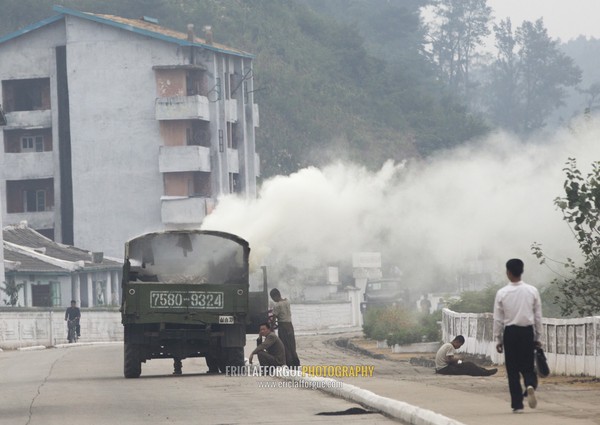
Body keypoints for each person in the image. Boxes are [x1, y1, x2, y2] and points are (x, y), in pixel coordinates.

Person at [493, 258, 543, 413]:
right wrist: (537, 337)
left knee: (512, 370)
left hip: (511, 333)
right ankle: (529, 384)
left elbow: (498, 319)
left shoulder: (502, 293)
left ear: (508, 272)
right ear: (521, 271)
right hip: (527, 332)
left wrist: (498, 339)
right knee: (528, 366)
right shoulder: (532, 291)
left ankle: (517, 404)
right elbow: (538, 316)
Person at [269, 288, 300, 367]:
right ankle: (296, 363)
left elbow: (274, 319)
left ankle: (289, 364)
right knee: (292, 345)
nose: (273, 300)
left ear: (275, 296)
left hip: (283, 327)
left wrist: (271, 328)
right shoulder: (287, 301)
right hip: (290, 325)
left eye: (273, 298)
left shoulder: (277, 305)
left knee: (284, 346)